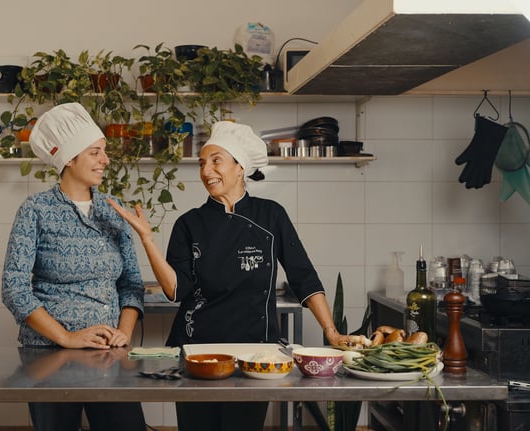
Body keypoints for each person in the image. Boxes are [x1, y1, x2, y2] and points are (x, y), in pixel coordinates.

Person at [108, 120, 353, 431]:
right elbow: (175, 290)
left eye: (216, 160)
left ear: (240, 168)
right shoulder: (189, 224)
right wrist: (147, 240)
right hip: (197, 352)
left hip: (256, 353)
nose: (206, 170)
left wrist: (331, 331)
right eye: (202, 163)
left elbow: (303, 276)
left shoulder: (271, 215)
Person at [1, 102, 147, 431]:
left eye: (104, 152)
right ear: (69, 159)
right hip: (49, 355)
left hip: (109, 354)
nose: (105, 160)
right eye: (95, 152)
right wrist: (66, 338)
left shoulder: (114, 209)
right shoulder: (35, 210)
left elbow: (131, 284)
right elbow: (14, 289)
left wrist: (124, 334)